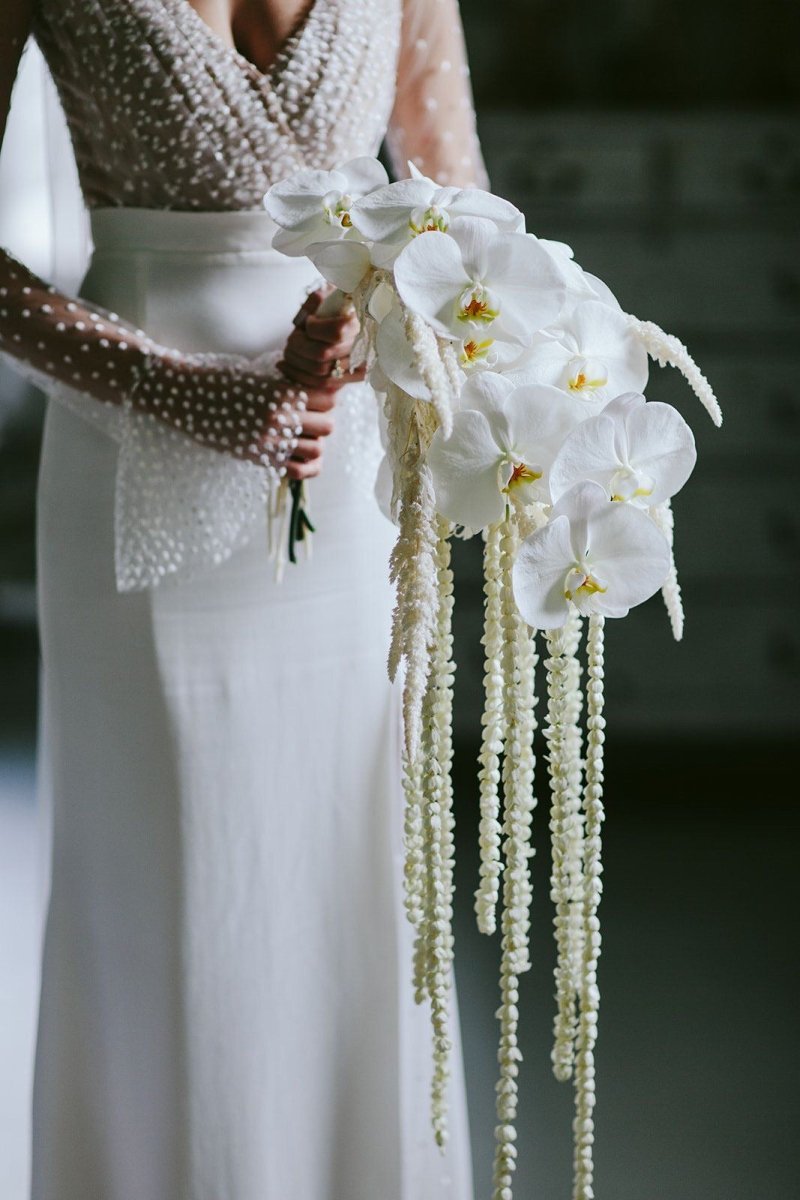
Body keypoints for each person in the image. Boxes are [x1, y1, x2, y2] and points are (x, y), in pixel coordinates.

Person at [0, 1, 489, 1196]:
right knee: (174, 879)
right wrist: (187, 390)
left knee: (348, 867)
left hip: (347, 467)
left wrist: (379, 338)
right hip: (131, 455)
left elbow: (460, 211)